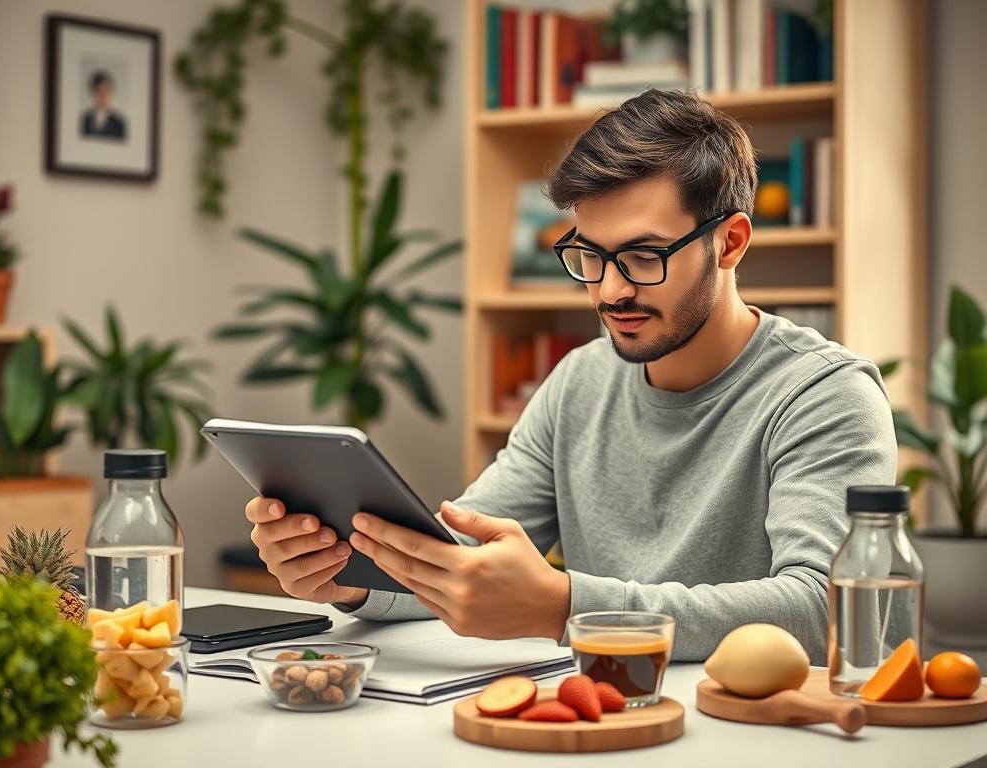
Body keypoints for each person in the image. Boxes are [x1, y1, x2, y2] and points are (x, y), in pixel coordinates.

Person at [244, 88, 895, 662]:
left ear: (729, 242)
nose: (609, 291)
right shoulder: (580, 381)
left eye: (643, 256)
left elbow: (827, 610)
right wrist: (356, 577)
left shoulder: (825, 396)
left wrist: (564, 607)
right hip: (611, 718)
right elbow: (466, 557)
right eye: (590, 255)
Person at [81, 70, 126, 140]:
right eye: (99, 92)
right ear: (93, 93)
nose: (103, 97)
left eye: (106, 92)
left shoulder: (119, 123)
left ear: (111, 94)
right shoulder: (85, 119)